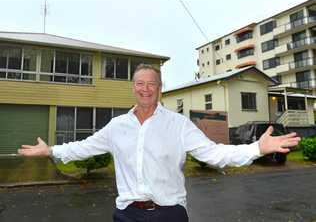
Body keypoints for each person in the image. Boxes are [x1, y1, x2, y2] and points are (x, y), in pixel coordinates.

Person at [18, 64, 300, 222]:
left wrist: (257, 149)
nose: (145, 88)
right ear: (133, 87)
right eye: (140, 83)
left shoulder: (178, 125)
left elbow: (214, 154)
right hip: (127, 214)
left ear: (160, 88)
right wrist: (50, 150)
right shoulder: (118, 126)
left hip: (169, 214)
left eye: (151, 83)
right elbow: (84, 146)